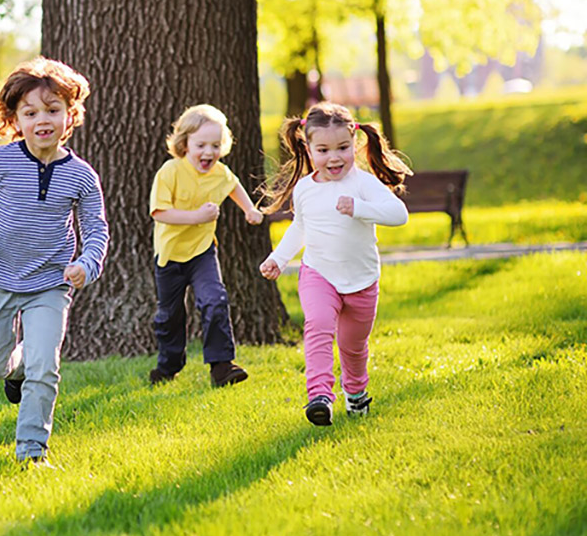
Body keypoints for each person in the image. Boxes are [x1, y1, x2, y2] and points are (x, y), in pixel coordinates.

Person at [0, 56, 109, 465]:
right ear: (14, 118)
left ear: (70, 117)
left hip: (50, 284)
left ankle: (32, 451)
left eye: (53, 111)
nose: (43, 120)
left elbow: (96, 230)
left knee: (46, 367)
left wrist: (86, 265)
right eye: (31, 112)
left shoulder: (82, 175)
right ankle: (16, 362)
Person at [259, 102, 411, 426]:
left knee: (353, 348)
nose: (334, 158)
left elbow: (400, 214)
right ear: (308, 148)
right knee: (317, 327)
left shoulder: (363, 184)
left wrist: (358, 208)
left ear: (354, 143)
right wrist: (278, 257)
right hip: (318, 273)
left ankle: (356, 394)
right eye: (323, 150)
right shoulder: (304, 188)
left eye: (342, 148)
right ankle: (320, 397)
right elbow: (300, 227)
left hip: (362, 280)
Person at [148, 104, 265, 388]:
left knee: (215, 301)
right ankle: (169, 365)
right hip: (170, 256)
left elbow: (233, 184)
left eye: (215, 145)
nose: (208, 153)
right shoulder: (171, 171)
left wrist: (249, 209)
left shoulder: (219, 172)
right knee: (170, 316)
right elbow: (160, 213)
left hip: (202, 252)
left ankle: (222, 367)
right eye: (201, 145)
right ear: (184, 143)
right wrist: (197, 217)